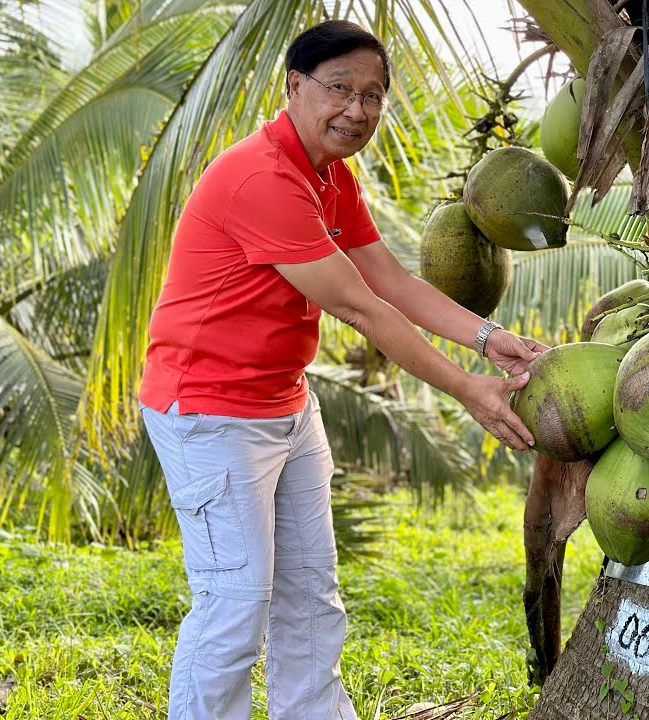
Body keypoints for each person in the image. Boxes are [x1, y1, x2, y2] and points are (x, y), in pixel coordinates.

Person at [138, 20, 545, 720]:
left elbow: (387, 277)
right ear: (294, 87)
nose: (357, 110)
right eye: (339, 89)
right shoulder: (263, 179)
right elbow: (362, 310)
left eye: (374, 96)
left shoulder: (330, 177)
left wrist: (489, 339)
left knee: (311, 596)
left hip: (284, 407)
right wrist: (468, 391)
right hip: (209, 413)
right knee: (235, 607)